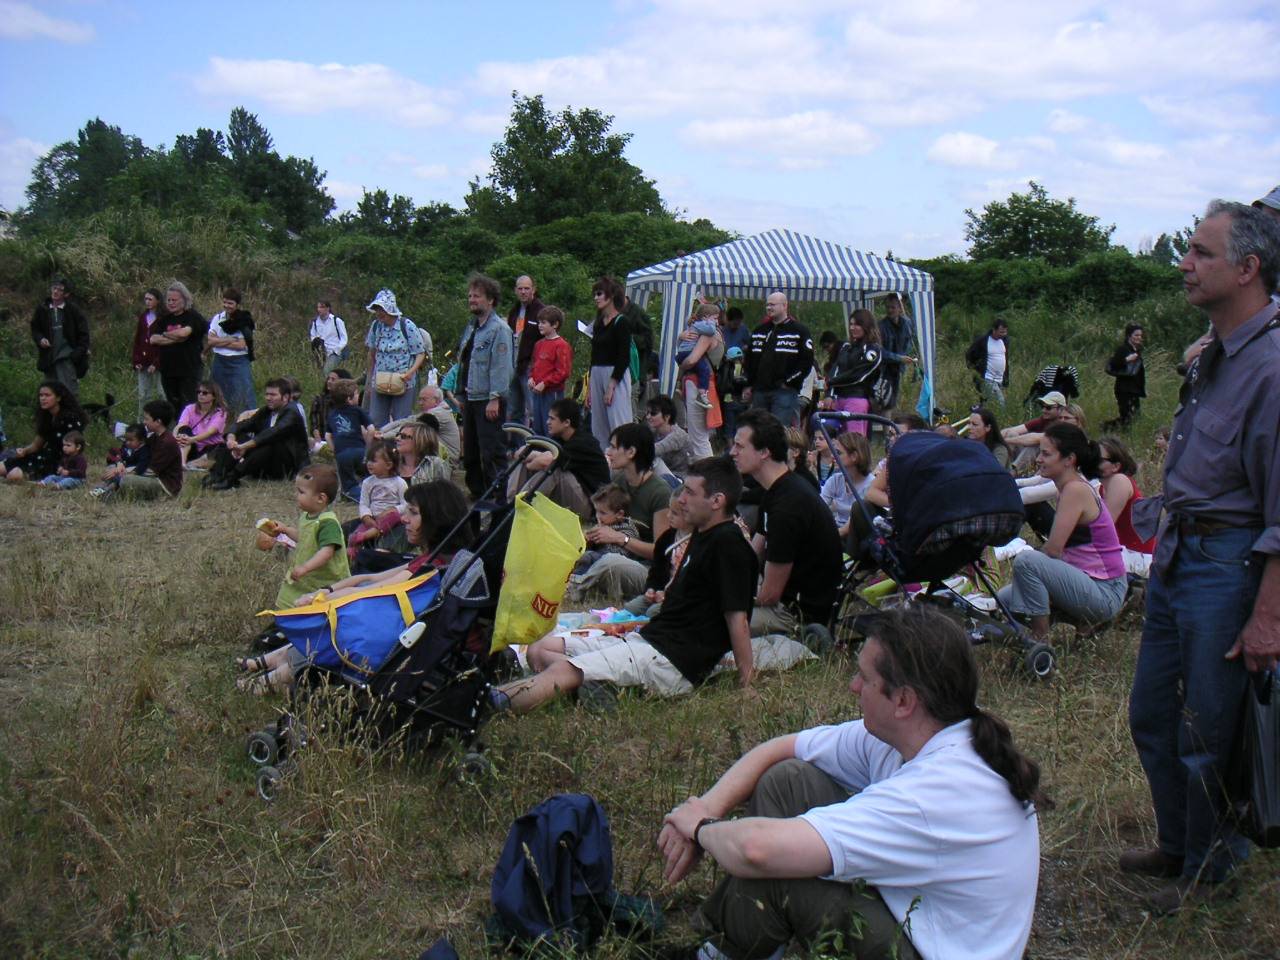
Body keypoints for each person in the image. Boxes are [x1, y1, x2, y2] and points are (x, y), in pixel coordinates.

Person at [658, 606, 1044, 960]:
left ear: (904, 701)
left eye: (865, 677)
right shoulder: (926, 731)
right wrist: (708, 805)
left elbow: (756, 850)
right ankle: (744, 945)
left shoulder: (935, 793)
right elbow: (784, 747)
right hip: (926, 920)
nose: (853, 686)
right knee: (788, 781)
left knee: (778, 875)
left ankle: (720, 954)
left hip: (932, 950)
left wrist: (700, 828)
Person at [1124, 200, 1280, 913]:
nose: (1184, 264)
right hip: (1181, 555)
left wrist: (1268, 617)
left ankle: (1209, 874)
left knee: (1209, 732)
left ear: (1248, 268)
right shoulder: (1215, 354)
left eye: (1200, 253)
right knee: (1153, 714)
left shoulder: (1272, 369)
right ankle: (1178, 843)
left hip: (1229, 567)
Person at [492, 457, 756, 711]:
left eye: (690, 492)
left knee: (563, 669)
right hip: (649, 640)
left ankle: (485, 703)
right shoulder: (701, 535)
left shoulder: (727, 544)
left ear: (716, 501)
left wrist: (747, 685)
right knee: (539, 649)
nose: (682, 499)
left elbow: (738, 620)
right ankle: (597, 685)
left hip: (669, 660)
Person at [247, 481, 475, 692]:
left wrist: (320, 601)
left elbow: (369, 592)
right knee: (338, 620)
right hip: (409, 635)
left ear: (436, 518)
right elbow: (368, 580)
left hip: (399, 645)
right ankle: (277, 661)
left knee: (331, 631)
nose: (404, 519)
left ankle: (276, 675)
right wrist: (326, 591)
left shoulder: (431, 571)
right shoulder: (438, 561)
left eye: (413, 513)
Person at [996, 422, 1127, 642]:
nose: (1039, 459)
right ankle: (1083, 623)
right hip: (1088, 581)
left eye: (1046, 454)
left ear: (1069, 459)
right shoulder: (1067, 489)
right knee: (1005, 599)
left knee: (1027, 562)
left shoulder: (1075, 490)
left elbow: (1053, 551)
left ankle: (1040, 640)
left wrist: (1035, 578)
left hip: (1105, 590)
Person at [731, 410, 841, 636]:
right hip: (780, 599)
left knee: (710, 620)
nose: (732, 452)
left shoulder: (788, 506)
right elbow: (752, 556)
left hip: (794, 613)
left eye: (739, 446)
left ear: (764, 452)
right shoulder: (777, 489)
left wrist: (722, 594)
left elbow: (769, 595)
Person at [568, 422, 672, 600]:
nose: (609, 452)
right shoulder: (619, 481)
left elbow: (662, 552)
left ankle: (572, 588)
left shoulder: (660, 491)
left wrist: (621, 539)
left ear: (631, 452)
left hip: (647, 570)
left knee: (611, 562)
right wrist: (596, 536)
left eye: (614, 447)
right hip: (617, 556)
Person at [456, 274, 514, 499]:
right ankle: (478, 492)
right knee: (471, 451)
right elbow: (465, 362)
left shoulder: (499, 330)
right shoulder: (472, 328)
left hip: (488, 399)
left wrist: (495, 398)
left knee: (492, 451)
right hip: (471, 397)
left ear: (490, 300)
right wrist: (461, 395)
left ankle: (498, 494)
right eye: (470, 296)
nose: (472, 300)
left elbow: (501, 366)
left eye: (477, 296)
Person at [507, 397, 609, 520]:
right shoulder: (560, 438)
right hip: (574, 496)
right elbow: (520, 454)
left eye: (552, 419)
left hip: (591, 506)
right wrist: (531, 458)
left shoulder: (582, 443)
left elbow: (543, 461)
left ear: (566, 423)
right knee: (527, 462)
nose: (547, 422)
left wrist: (532, 460)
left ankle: (521, 506)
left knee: (554, 470)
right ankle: (510, 505)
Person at [204, 379, 309, 490]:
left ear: (285, 397)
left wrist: (244, 447)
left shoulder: (292, 414)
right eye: (267, 394)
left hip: (285, 467)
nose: (268, 398)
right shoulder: (266, 411)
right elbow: (241, 425)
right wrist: (231, 439)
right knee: (239, 437)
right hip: (263, 461)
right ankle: (216, 474)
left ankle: (231, 478)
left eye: (273, 395)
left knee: (269, 443)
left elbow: (272, 433)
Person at [744, 292, 813, 429]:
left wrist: (789, 382)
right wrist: (748, 384)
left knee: (778, 429)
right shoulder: (759, 331)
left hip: (784, 392)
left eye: (773, 305)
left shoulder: (799, 331)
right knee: (758, 429)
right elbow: (749, 361)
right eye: (767, 305)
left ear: (784, 306)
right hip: (760, 391)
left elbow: (806, 361)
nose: (769, 308)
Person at [0, 380, 87, 484]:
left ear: (58, 398)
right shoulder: (46, 417)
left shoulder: (70, 419)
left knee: (14, 476)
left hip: (57, 463)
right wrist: (24, 451)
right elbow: (38, 444)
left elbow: (77, 448)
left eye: (47, 395)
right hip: (41, 456)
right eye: (41, 395)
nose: (43, 398)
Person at [365, 289, 426, 426]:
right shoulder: (376, 326)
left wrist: (410, 372)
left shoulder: (407, 326)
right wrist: (370, 380)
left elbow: (420, 353)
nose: (379, 313)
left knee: (401, 421)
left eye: (382, 309)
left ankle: (398, 440)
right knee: (376, 420)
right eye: (377, 309)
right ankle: (379, 440)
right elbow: (371, 353)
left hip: (403, 380)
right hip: (380, 379)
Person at [587, 277, 634, 449]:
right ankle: (604, 458)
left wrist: (612, 385)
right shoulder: (598, 323)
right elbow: (594, 355)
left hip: (615, 374)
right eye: (595, 294)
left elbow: (623, 356)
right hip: (597, 372)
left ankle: (624, 455)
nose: (596, 298)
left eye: (600, 294)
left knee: (618, 421)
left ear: (611, 295)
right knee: (599, 424)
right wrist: (590, 386)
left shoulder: (622, 322)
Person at [819, 309, 882, 436]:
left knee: (854, 440)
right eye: (851, 324)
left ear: (866, 326)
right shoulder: (846, 346)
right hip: (839, 399)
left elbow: (858, 375)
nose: (852, 328)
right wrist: (829, 395)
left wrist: (831, 382)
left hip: (857, 398)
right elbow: (835, 369)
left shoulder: (872, 350)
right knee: (838, 440)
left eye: (857, 324)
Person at [1097, 435, 1154, 575]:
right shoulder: (1103, 487)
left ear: (1116, 466)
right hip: (1125, 553)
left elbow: (1104, 526)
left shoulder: (1120, 481)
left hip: (1139, 557)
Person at [151, 282, 208, 409]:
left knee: (188, 406)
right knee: (173, 406)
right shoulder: (165, 319)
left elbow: (183, 333)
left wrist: (165, 336)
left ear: (184, 300)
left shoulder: (193, 317)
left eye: (174, 300)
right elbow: (153, 339)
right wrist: (172, 337)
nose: (171, 303)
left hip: (189, 370)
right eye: (168, 300)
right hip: (168, 370)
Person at [30, 277, 90, 394]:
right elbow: (35, 328)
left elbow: (84, 336)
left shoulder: (74, 311)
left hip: (67, 358)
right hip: (49, 359)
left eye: (59, 289)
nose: (55, 291)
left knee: (69, 393)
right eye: (54, 288)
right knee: (50, 393)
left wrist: (76, 356)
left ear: (66, 294)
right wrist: (40, 339)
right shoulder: (43, 308)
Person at [347, 441, 408, 554]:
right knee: (357, 534)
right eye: (368, 460)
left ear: (388, 465)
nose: (369, 464)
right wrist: (366, 517)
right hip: (373, 519)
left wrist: (392, 510)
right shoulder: (367, 482)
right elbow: (364, 504)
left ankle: (370, 534)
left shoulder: (399, 482)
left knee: (395, 516)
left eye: (374, 461)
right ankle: (352, 551)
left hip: (392, 519)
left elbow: (406, 505)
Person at [570, 484, 640, 580]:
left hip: (617, 571)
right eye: (597, 511)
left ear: (619, 514)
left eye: (603, 513)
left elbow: (618, 557)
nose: (598, 516)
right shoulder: (606, 524)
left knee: (588, 557)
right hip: (600, 566)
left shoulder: (627, 530)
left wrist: (601, 540)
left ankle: (575, 581)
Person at [118, 399, 183, 500]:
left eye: (147, 419)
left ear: (158, 422)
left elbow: (150, 472)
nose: (144, 422)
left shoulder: (167, 442)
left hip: (165, 486)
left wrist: (129, 474)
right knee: (118, 474)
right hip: (154, 479)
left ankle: (115, 494)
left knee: (126, 480)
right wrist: (120, 464)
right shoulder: (155, 437)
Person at [206, 287, 255, 416]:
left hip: (238, 361)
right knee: (215, 393)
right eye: (225, 302)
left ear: (237, 305)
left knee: (243, 396)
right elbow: (210, 340)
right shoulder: (218, 318)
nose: (226, 306)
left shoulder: (244, 320)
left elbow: (241, 345)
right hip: (219, 360)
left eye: (230, 303)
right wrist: (231, 339)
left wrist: (219, 341)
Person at [326, 378, 377, 499]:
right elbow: (371, 430)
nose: (358, 396)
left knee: (347, 481)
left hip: (342, 453)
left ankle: (353, 494)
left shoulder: (332, 414)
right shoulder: (358, 411)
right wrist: (367, 448)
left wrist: (335, 450)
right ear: (349, 399)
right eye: (356, 393)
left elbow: (328, 436)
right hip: (359, 449)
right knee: (365, 474)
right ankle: (366, 496)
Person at [506, 275, 544, 432]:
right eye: (520, 288)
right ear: (515, 290)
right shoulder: (514, 311)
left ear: (533, 290)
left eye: (527, 288)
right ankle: (517, 443)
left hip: (530, 368)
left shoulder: (540, 311)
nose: (523, 292)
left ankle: (539, 441)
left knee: (534, 409)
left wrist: (536, 365)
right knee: (514, 411)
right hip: (512, 366)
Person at [527, 306, 572, 435]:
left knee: (551, 428)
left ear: (555, 325)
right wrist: (531, 378)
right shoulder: (539, 344)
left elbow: (563, 372)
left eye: (544, 322)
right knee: (537, 426)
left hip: (553, 394)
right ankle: (538, 447)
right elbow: (534, 366)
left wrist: (545, 383)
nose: (540, 325)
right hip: (538, 393)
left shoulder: (561, 345)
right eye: (539, 322)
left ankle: (552, 447)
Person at [819, 431, 872, 540]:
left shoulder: (871, 485)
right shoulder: (835, 480)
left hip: (856, 537)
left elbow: (846, 530)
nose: (833, 456)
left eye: (838, 452)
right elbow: (818, 508)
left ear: (854, 456)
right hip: (837, 531)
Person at [677, 303, 723, 411]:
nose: (717, 321)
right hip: (698, 381)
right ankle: (699, 394)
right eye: (715, 318)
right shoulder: (708, 332)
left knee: (699, 420)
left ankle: (680, 384)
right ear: (705, 317)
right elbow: (692, 360)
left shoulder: (708, 331)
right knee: (698, 420)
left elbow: (683, 350)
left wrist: (682, 366)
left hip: (702, 381)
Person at [877, 294, 917, 413]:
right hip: (883, 370)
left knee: (892, 400)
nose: (890, 310)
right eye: (887, 307)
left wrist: (908, 357)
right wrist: (899, 358)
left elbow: (909, 342)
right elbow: (879, 352)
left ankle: (887, 423)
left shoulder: (907, 323)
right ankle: (886, 425)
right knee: (886, 402)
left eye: (893, 307)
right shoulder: (880, 326)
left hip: (897, 368)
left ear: (900, 307)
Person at [175, 380, 228, 469]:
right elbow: (180, 425)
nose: (200, 395)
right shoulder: (190, 409)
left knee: (224, 447)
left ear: (213, 396)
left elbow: (210, 432)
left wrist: (192, 439)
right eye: (198, 392)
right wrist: (176, 437)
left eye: (205, 393)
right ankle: (182, 462)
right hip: (190, 446)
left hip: (209, 447)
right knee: (184, 430)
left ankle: (194, 462)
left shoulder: (220, 412)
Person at [132, 288, 165, 417]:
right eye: (146, 299)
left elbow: (164, 343)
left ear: (158, 301)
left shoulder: (163, 318)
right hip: (143, 361)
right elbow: (138, 340)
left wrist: (156, 363)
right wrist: (137, 360)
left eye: (150, 299)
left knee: (162, 393)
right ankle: (143, 420)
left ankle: (164, 420)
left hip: (159, 363)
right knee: (143, 395)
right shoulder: (143, 317)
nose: (147, 302)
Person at [1105, 322, 1146, 428]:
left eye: (1140, 335)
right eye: (1136, 335)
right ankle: (1106, 427)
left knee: (1135, 416)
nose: (1139, 338)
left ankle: (1113, 429)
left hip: (1135, 389)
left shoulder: (1137, 350)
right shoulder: (1122, 349)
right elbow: (1114, 364)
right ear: (1129, 336)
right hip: (1124, 389)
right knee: (1127, 417)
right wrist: (1127, 359)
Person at [646, 394, 696, 479]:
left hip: (681, 479)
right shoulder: (654, 431)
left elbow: (653, 450)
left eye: (653, 414)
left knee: (654, 460)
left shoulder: (678, 435)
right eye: (648, 413)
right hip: (665, 477)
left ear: (667, 416)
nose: (648, 417)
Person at [965, 317, 1010, 407]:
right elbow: (970, 355)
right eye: (1001, 332)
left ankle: (978, 413)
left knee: (988, 406)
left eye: (1004, 332)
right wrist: (976, 370)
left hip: (999, 379)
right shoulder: (983, 341)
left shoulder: (1004, 341)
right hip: (988, 378)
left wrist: (1006, 378)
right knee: (1000, 405)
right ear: (994, 329)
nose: (1003, 334)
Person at [395, 421, 451, 487]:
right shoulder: (392, 464)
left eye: (403, 436)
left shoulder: (436, 464)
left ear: (420, 440)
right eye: (398, 435)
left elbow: (445, 491)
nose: (397, 439)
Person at [309, 367, 353, 451]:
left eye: (333, 379)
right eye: (328, 379)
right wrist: (318, 439)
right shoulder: (319, 400)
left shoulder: (348, 402)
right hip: (323, 441)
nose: (329, 382)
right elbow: (315, 424)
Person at [309, 299, 348, 374]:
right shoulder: (315, 322)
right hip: (321, 353)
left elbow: (344, 338)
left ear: (327, 308)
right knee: (319, 372)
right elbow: (313, 337)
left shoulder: (336, 321)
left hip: (334, 351)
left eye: (321, 307)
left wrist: (337, 349)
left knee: (326, 371)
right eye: (318, 307)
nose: (319, 309)